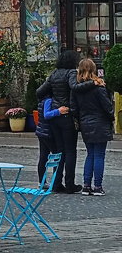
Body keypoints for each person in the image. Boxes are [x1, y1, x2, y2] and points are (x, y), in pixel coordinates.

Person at [37, 50, 81, 193]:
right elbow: (74, 87)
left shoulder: (54, 74)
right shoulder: (71, 73)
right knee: (70, 151)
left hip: (55, 118)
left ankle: (56, 183)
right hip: (67, 115)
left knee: (60, 151)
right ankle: (69, 184)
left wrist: (52, 100)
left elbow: (39, 92)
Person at [71, 57, 113, 196]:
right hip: (100, 123)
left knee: (90, 155)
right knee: (99, 155)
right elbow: (107, 107)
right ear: (93, 69)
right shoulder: (98, 87)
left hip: (85, 123)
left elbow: (74, 108)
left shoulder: (76, 88)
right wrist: (111, 117)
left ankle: (86, 185)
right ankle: (98, 186)